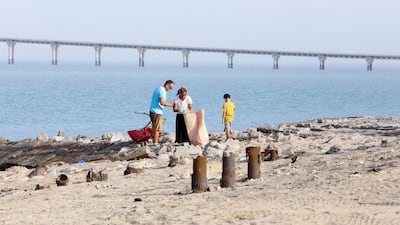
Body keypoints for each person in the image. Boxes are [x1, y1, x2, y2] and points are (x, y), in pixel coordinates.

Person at [149, 80, 175, 144]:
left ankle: (154, 143)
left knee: (154, 128)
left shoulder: (158, 88)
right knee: (157, 129)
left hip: (152, 110)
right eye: (170, 87)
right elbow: (162, 102)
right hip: (157, 112)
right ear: (167, 84)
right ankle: (155, 144)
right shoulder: (162, 90)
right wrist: (173, 105)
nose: (170, 89)